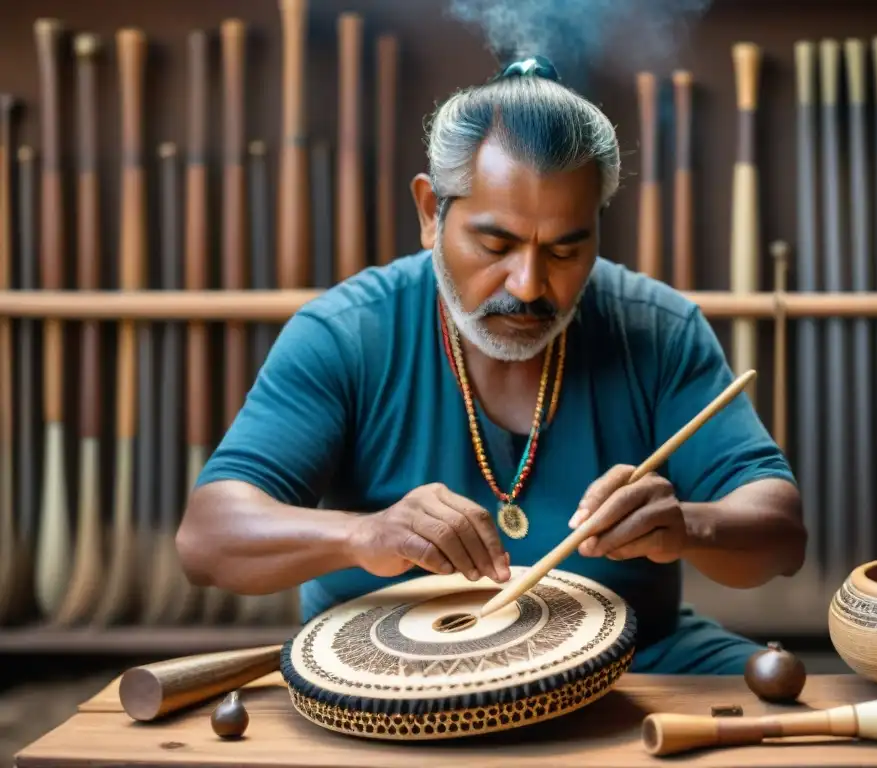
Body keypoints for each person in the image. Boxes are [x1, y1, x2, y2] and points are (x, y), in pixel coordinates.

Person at [176, 55, 806, 675]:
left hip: (630, 662)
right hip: (395, 677)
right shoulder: (347, 332)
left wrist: (687, 524)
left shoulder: (658, 328)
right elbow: (207, 541)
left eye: (565, 248)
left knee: (798, 718)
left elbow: (780, 533)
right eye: (496, 244)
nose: (529, 285)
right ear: (431, 213)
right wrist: (363, 536)